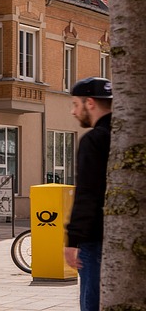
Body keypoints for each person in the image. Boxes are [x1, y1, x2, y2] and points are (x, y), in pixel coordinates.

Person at [65, 77, 112, 311]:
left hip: (95, 238)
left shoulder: (94, 139)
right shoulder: (131, 136)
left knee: (92, 303)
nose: (73, 112)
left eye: (75, 104)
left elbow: (87, 193)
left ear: (90, 103)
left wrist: (73, 240)